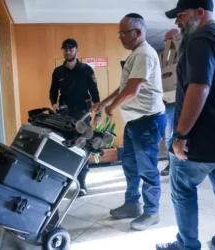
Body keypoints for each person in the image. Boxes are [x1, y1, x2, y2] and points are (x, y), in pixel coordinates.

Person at [156, 0, 215, 249]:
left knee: (184, 190)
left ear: (199, 13)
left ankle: (187, 245)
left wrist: (180, 135)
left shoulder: (201, 38)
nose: (177, 20)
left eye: (181, 15)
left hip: (203, 139)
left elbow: (199, 88)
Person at [91, 13, 166, 231]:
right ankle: (132, 204)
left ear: (139, 32)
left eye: (123, 33)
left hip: (148, 121)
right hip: (135, 122)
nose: (120, 37)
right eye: (119, 33)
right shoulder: (136, 55)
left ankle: (152, 212)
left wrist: (112, 108)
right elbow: (124, 87)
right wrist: (104, 103)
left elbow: (133, 91)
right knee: (130, 166)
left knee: (147, 169)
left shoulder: (144, 54)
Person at [49, 38, 101, 197]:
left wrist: (98, 114)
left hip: (83, 115)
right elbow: (52, 92)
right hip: (64, 115)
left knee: (82, 146)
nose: (67, 51)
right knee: (64, 146)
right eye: (65, 49)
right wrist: (54, 103)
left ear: (77, 50)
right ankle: (65, 182)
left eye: (70, 49)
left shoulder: (86, 70)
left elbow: (95, 94)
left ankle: (82, 183)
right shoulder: (58, 71)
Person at [161, 29, 181, 177]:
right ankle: (172, 164)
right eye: (167, 40)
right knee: (169, 136)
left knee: (182, 135)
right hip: (168, 103)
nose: (170, 43)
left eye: (173, 39)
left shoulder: (188, 54)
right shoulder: (165, 59)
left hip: (184, 102)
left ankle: (180, 165)